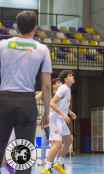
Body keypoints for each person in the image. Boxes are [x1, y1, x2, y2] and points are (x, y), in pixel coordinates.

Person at [0, 11, 52, 174]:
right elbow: (47, 86)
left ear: (17, 27)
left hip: (3, 100)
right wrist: (47, 112)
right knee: (23, 154)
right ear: (35, 28)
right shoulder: (42, 49)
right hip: (26, 103)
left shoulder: (2, 45)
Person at [41, 70, 76, 174]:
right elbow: (52, 103)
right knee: (57, 144)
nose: (73, 77)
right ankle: (47, 169)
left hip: (61, 118)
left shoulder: (67, 89)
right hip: (56, 119)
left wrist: (70, 112)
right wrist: (64, 115)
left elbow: (62, 104)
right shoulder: (63, 88)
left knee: (69, 140)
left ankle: (58, 163)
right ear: (65, 79)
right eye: (70, 75)